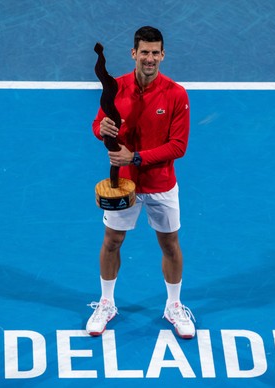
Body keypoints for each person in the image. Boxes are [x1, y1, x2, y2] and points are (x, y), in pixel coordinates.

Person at [86, 26, 195, 339]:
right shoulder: (116, 88)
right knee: (112, 240)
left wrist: (135, 158)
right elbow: (97, 124)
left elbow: (178, 146)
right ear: (134, 53)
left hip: (160, 183)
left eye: (155, 52)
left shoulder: (176, 94)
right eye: (144, 52)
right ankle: (106, 302)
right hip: (123, 183)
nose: (150, 58)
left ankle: (173, 306)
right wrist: (101, 128)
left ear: (163, 54)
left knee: (170, 245)